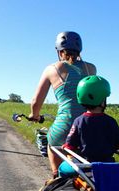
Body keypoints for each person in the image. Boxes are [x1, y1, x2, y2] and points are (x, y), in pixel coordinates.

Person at [29, 31, 97, 176]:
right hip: (89, 126)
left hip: (63, 126)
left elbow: (36, 102)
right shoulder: (91, 68)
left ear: (59, 52)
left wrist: (34, 115)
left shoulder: (52, 69)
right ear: (80, 51)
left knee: (52, 142)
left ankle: (56, 177)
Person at [64, 75, 119, 163]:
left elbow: (70, 144)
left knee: (63, 170)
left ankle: (55, 173)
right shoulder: (111, 121)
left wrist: (66, 146)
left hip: (86, 165)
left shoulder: (79, 121)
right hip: (108, 165)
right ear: (102, 100)